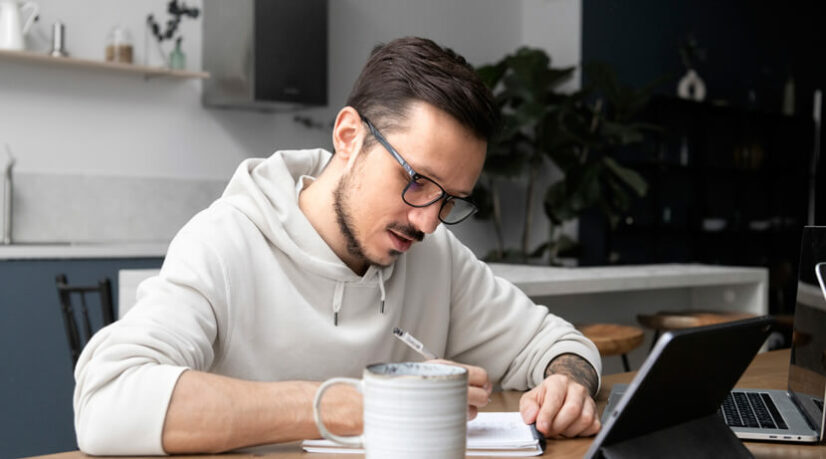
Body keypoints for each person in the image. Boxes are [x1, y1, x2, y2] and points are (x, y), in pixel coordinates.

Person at [73, 36, 602, 455]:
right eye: (416, 179)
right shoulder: (225, 242)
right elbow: (108, 402)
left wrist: (567, 385)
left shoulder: (436, 256)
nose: (428, 222)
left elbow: (561, 345)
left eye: (449, 200)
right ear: (349, 137)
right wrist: (358, 405)